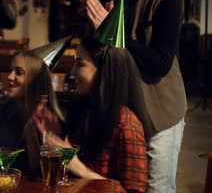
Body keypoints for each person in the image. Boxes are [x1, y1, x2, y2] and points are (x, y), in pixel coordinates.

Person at [86, 0, 187, 192]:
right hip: (124, 116)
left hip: (161, 112)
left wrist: (112, 32)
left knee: (157, 189)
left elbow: (160, 64)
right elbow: (99, 55)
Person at [33, 36, 152, 192]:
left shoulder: (126, 124)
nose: (72, 71)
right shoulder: (85, 109)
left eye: (80, 64)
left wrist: (79, 169)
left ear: (105, 70)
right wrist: (57, 135)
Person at [0, 51, 64, 176]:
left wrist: (31, 135)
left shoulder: (50, 120)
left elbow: (41, 175)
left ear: (36, 80)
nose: (10, 76)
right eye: (10, 70)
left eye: (19, 72)